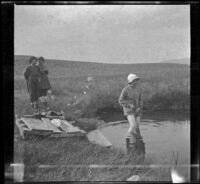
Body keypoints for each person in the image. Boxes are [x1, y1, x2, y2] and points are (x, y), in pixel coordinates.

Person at [119, 73, 143, 141]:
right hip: (129, 110)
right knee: (133, 126)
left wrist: (139, 108)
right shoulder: (125, 89)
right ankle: (128, 139)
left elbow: (141, 100)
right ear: (131, 81)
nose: (137, 81)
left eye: (137, 80)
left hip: (137, 110)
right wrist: (129, 105)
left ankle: (137, 140)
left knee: (137, 126)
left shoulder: (138, 89)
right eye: (135, 80)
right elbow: (120, 100)